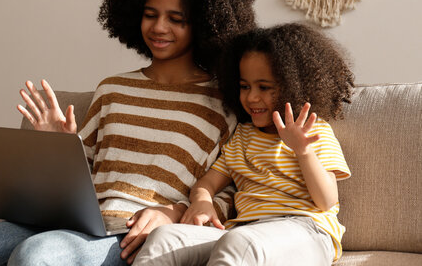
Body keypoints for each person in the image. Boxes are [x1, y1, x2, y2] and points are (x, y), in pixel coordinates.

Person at [0, 0, 256, 266]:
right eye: (150, 14)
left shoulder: (221, 103)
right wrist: (56, 148)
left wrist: (172, 213)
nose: (159, 27)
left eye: (176, 19)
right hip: (79, 222)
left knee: (38, 255)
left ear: (203, 24)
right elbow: (79, 177)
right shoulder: (113, 88)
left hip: (131, 234)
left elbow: (234, 192)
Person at [133, 23, 354, 266]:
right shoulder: (242, 137)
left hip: (307, 231)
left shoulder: (313, 130)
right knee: (163, 239)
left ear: (294, 86)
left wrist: (303, 150)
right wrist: (202, 202)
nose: (251, 97)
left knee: (240, 244)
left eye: (264, 87)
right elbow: (206, 184)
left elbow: (326, 200)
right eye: (245, 87)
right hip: (243, 231)